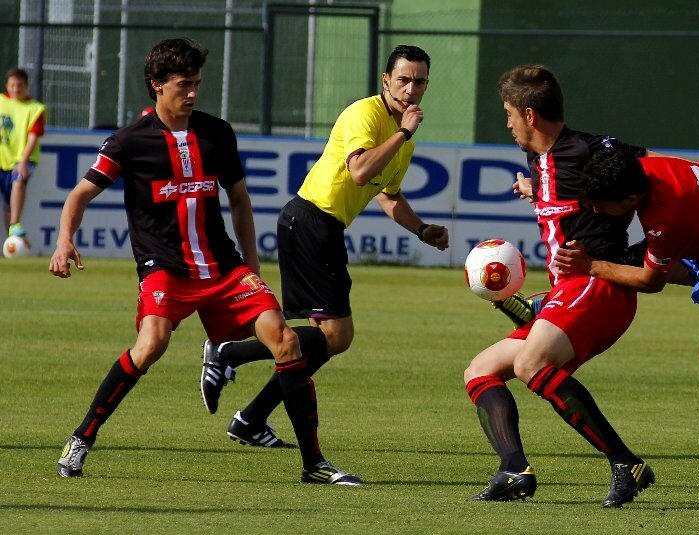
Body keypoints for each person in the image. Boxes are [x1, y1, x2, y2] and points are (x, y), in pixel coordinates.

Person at [50, 38, 360, 486]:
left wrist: (251, 265)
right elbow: (80, 194)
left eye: (197, 83)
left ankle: (314, 465)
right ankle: (81, 438)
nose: (193, 93)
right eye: (183, 85)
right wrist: (64, 240)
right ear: (157, 85)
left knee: (287, 341)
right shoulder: (128, 141)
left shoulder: (217, 133)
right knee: (151, 343)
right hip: (165, 269)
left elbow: (239, 201)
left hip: (223, 267)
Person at [197, 45, 449, 449]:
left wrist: (422, 230)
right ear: (386, 81)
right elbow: (361, 168)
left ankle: (249, 417)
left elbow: (387, 195)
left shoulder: (404, 141)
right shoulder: (365, 114)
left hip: (322, 229)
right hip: (309, 221)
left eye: (419, 82)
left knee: (320, 344)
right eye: (403, 80)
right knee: (336, 336)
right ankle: (230, 354)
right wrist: (404, 131)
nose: (411, 89)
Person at [463, 64, 657, 507]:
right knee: (480, 370)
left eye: (509, 113)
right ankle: (514, 469)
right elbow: (563, 195)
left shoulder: (585, 149)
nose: (506, 122)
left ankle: (625, 462)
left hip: (599, 285)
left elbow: (657, 172)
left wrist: (641, 252)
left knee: (532, 363)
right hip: (567, 291)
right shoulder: (537, 159)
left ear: (530, 115)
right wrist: (538, 191)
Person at [554, 150, 699, 508]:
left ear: (630, 199)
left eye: (601, 205)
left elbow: (649, 280)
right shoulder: (646, 166)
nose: (596, 211)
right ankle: (545, 307)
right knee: (616, 264)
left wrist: (592, 265)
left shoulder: (666, 219)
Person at [0, 67, 46, 238]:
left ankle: (15, 224)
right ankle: (10, 240)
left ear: (26, 86)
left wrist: (23, 162)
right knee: (7, 204)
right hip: (2, 159)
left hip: (24, 159)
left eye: (19, 85)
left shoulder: (35, 109)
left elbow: (33, 137)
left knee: (18, 182)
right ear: (7, 85)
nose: (15, 89)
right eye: (12, 85)